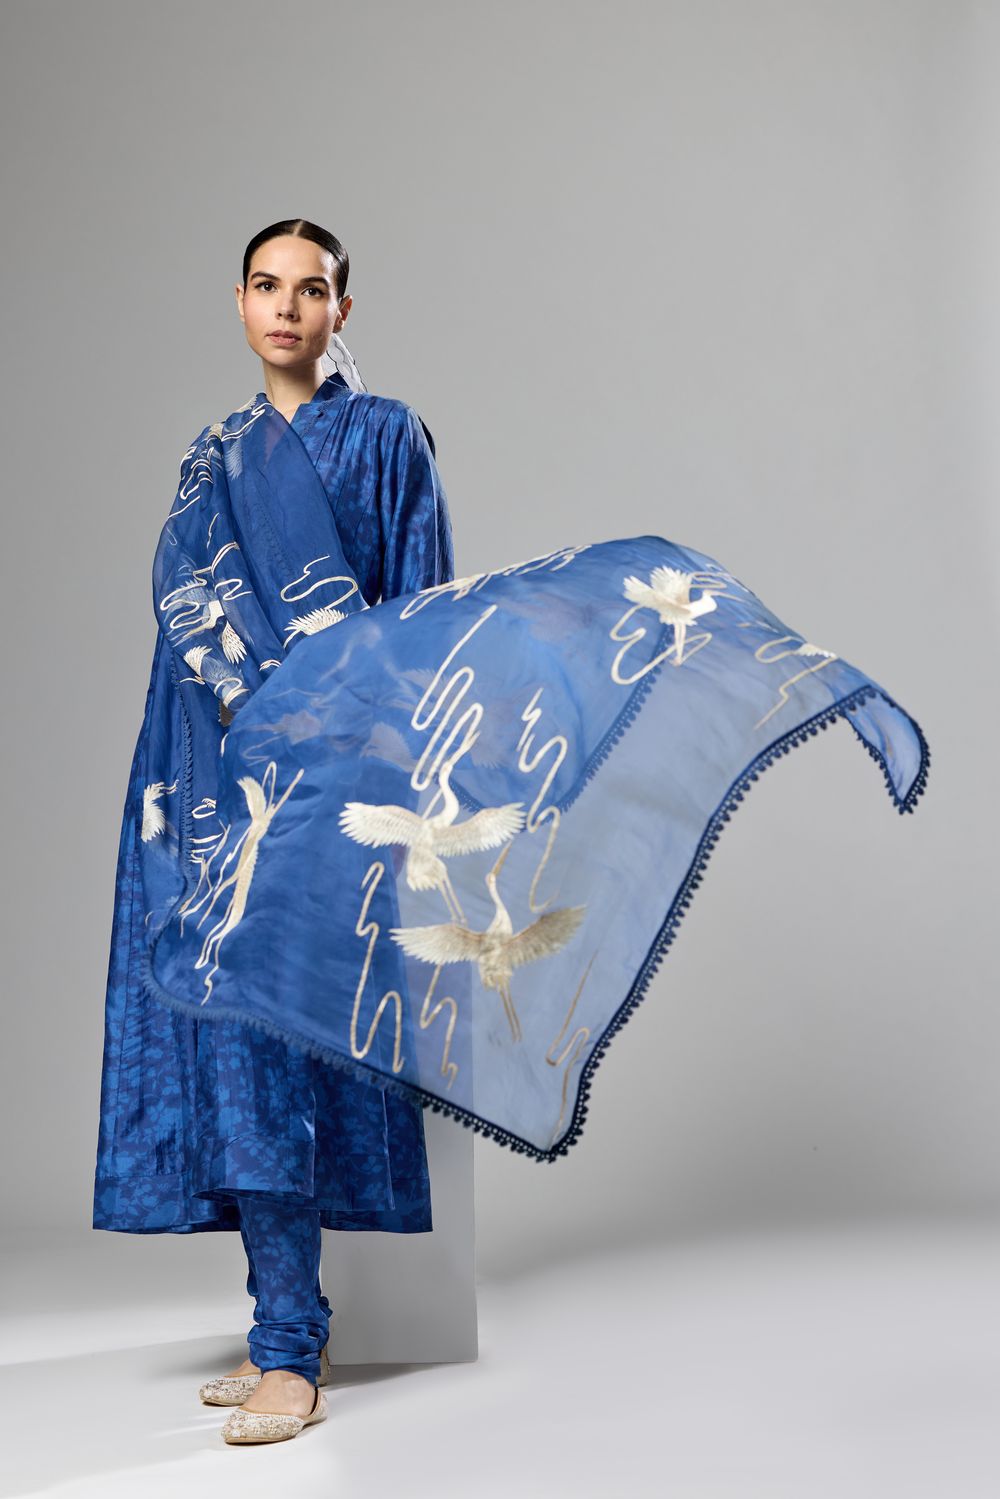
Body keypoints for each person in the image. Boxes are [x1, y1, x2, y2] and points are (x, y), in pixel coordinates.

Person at [93, 217, 454, 1445]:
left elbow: (418, 615)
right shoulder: (213, 457)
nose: (286, 307)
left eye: (311, 288)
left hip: (332, 784)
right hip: (217, 794)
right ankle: (283, 1334)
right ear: (240, 303)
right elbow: (183, 632)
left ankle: (292, 1351)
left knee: (301, 1048)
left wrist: (390, 775)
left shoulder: (388, 435)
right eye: (265, 285)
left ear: (342, 309)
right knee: (237, 1051)